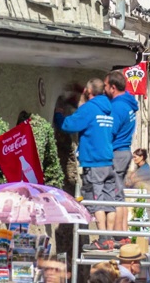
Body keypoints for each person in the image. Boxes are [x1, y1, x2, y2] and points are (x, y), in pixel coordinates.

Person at [57, 78, 116, 251]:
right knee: (108, 202)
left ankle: (102, 239)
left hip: (94, 161)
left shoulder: (91, 108)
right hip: (108, 160)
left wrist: (59, 114)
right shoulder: (109, 108)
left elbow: (70, 125)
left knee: (95, 200)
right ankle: (110, 238)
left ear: (89, 92)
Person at [104, 70, 140, 246]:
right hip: (124, 150)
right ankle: (123, 233)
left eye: (105, 86)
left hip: (117, 152)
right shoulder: (128, 103)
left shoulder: (118, 106)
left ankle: (118, 235)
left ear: (112, 87)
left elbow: (110, 131)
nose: (104, 89)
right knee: (120, 195)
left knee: (114, 196)